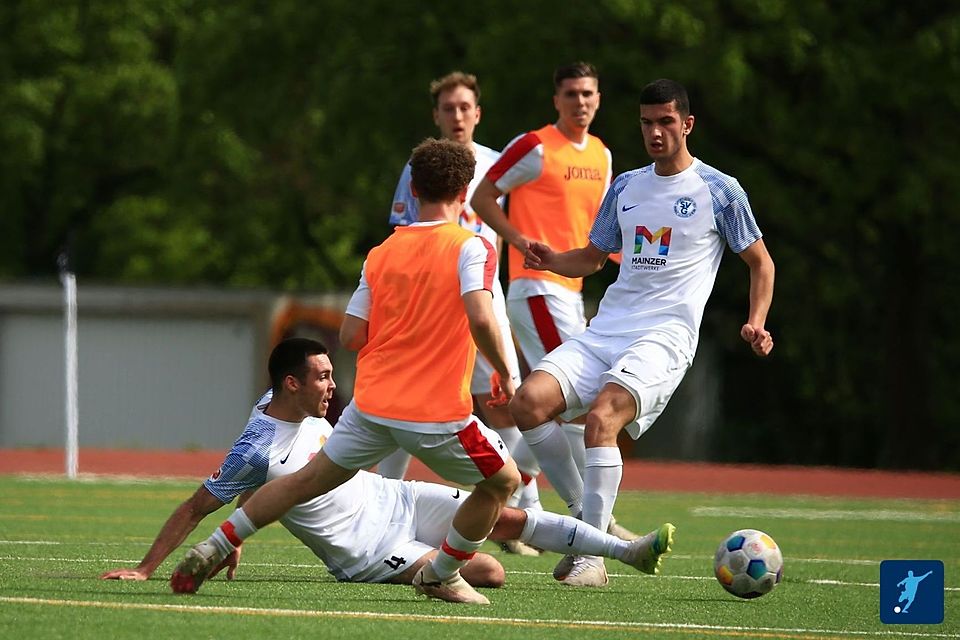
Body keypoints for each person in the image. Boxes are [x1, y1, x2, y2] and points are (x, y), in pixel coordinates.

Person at [172, 139, 522, 605]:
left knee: (303, 482)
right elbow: (481, 317)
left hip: (372, 406)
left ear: (413, 188)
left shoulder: (381, 253)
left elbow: (353, 335)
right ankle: (441, 572)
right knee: (504, 482)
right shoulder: (473, 247)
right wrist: (504, 373)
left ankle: (215, 544)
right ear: (465, 189)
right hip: (437, 413)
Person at [101, 338, 674, 588]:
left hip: (393, 498)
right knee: (491, 571)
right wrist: (147, 568)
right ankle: (444, 578)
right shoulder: (256, 442)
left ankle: (628, 551)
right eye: (323, 377)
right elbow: (199, 503)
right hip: (367, 550)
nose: (333, 386)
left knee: (503, 514)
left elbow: (260, 488)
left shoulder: (284, 407)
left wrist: (244, 526)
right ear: (291, 384)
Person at [511, 78, 775, 588]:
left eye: (665, 122)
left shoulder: (720, 189)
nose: (655, 132)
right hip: (608, 328)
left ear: (687, 124)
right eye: (646, 123)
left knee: (601, 418)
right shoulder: (627, 186)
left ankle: (591, 559)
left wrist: (757, 320)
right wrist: (551, 259)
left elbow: (760, 263)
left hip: (665, 337)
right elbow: (591, 257)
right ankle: (588, 522)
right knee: (528, 403)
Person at [471, 62, 636, 542]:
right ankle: (591, 518)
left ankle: (508, 498)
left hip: (573, 292)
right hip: (536, 288)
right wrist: (519, 240)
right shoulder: (534, 145)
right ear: (556, 100)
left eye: (587, 93)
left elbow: (603, 229)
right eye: (570, 94)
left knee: (552, 405)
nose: (579, 102)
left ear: (599, 99)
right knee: (575, 403)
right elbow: (482, 196)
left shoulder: (603, 156)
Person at [382, 73, 544, 547]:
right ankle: (387, 505)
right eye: (448, 108)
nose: (456, 115)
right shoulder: (420, 169)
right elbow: (400, 234)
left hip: (484, 303)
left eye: (464, 107)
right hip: (431, 308)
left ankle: (504, 509)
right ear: (436, 115)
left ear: (478, 113)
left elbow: (517, 225)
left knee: (512, 408)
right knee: (399, 405)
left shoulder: (497, 166)